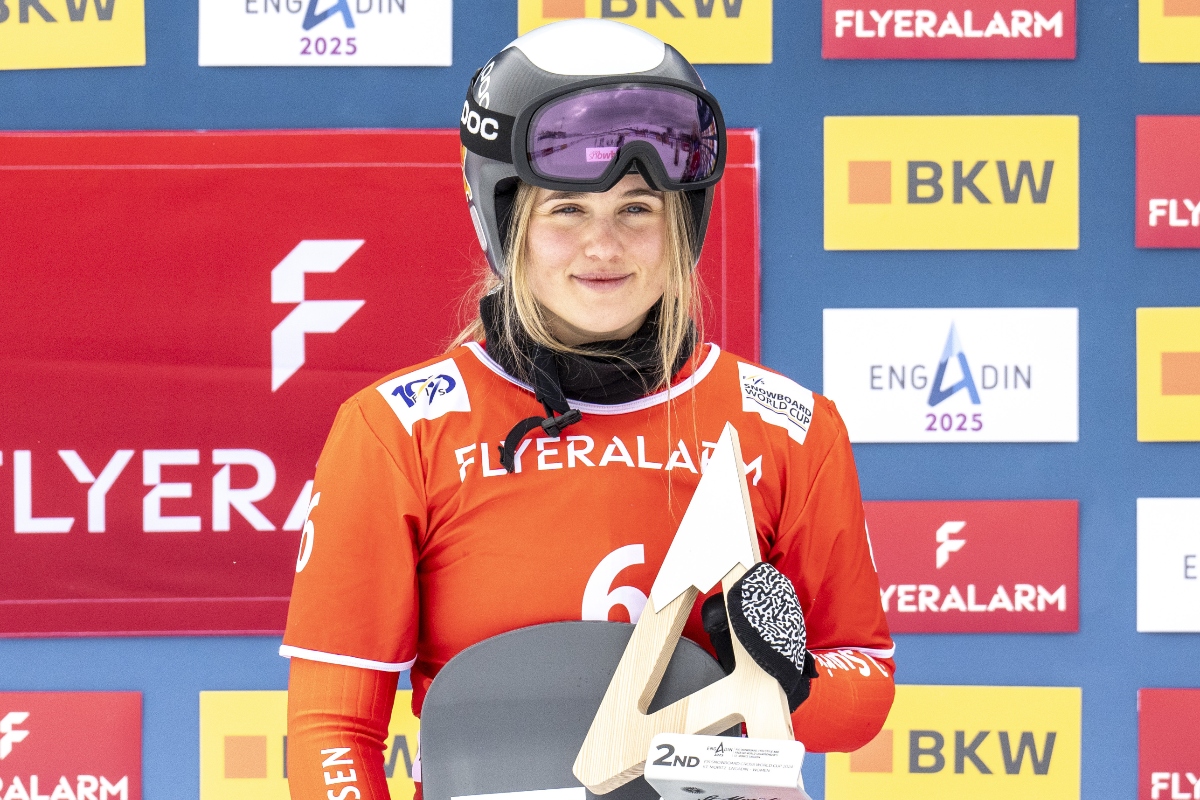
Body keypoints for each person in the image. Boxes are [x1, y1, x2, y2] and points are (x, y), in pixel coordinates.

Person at [281, 18, 895, 800]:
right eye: (566, 210)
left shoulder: (789, 427)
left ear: (684, 222)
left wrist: (790, 680)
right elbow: (334, 731)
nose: (604, 248)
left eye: (638, 210)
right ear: (503, 221)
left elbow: (865, 690)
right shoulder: (399, 430)